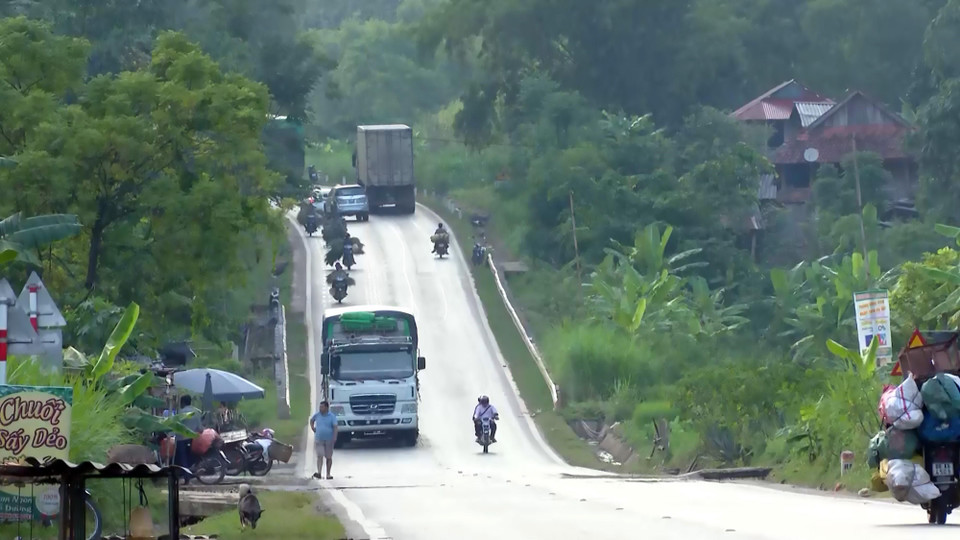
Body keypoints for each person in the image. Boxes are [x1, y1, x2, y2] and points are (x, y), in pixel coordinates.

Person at [310, 401, 338, 479]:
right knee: (320, 455)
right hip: (319, 439)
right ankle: (319, 472)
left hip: (329, 439)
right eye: (320, 407)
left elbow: (335, 427)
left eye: (322, 407)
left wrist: (335, 437)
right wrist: (313, 428)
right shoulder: (317, 415)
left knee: (328, 457)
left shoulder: (332, 416)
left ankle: (328, 474)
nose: (320, 408)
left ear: (326, 408)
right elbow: (312, 420)